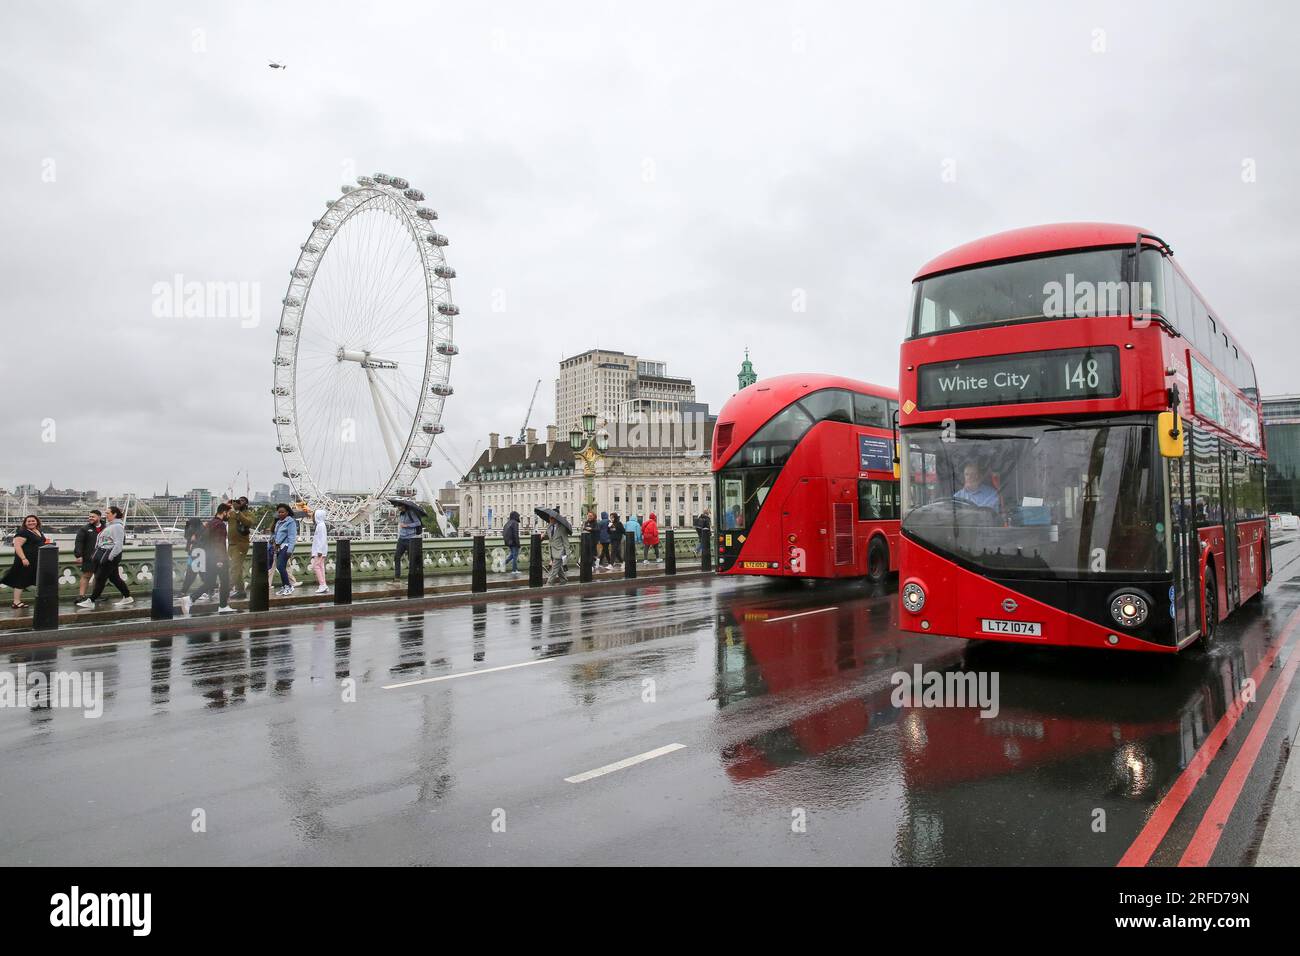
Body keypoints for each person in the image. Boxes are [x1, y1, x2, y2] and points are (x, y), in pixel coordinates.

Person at [181, 503, 234, 614]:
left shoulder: (210, 523)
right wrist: (220, 559)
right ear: (224, 512)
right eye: (229, 513)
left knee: (209, 583)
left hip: (208, 557)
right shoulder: (220, 525)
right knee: (225, 581)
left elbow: (202, 539)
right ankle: (223, 606)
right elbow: (219, 543)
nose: (229, 516)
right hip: (218, 558)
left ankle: (190, 599)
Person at [78, 506, 132, 608]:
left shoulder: (117, 527)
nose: (105, 515)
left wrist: (110, 557)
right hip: (106, 555)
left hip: (109, 556)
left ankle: (91, 600)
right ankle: (127, 596)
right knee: (115, 578)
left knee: (100, 578)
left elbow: (118, 544)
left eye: (108, 513)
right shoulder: (110, 525)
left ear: (114, 514)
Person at [4, 515, 50, 609]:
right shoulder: (23, 532)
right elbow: (17, 546)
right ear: (25, 523)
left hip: (36, 560)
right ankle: (16, 602)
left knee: (36, 579)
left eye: (33, 521)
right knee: (21, 580)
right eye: (28, 521)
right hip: (25, 560)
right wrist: (23, 558)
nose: (31, 523)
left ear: (37, 521)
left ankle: (43, 599)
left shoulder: (38, 531)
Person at [226, 496, 255, 599]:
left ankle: (226, 590)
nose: (239, 502)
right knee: (237, 569)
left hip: (241, 545)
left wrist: (238, 512)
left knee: (234, 568)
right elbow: (222, 517)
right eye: (238, 500)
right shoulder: (232, 513)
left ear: (246, 504)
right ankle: (241, 591)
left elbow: (248, 522)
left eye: (242, 501)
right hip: (231, 544)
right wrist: (227, 505)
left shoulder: (248, 513)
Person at [73, 510, 104, 600]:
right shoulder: (84, 529)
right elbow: (78, 543)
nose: (90, 518)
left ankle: (96, 595)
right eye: (89, 516)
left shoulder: (106, 527)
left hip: (102, 556)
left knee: (98, 577)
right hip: (88, 556)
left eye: (93, 516)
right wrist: (78, 555)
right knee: (86, 575)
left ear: (99, 517)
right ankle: (81, 596)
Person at [272, 503, 298, 595]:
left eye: (282, 512)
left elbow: (292, 537)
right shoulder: (279, 522)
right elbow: (276, 535)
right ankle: (285, 586)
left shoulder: (290, 522)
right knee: (281, 567)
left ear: (287, 512)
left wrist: (290, 550)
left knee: (280, 566)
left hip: (286, 546)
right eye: (279, 512)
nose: (280, 514)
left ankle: (289, 586)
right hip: (279, 547)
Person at [394, 505, 423, 579]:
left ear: (403, 506)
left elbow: (418, 523)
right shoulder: (401, 514)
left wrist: (407, 525)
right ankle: (397, 576)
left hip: (410, 539)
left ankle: (412, 577)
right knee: (396, 557)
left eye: (399, 506)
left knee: (411, 559)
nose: (398, 507)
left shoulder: (411, 513)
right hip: (401, 538)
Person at [310, 506, 329, 594]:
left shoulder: (320, 526)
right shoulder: (321, 525)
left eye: (314, 516)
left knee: (315, 566)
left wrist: (320, 551)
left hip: (319, 551)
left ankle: (322, 585)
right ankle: (324, 584)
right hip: (320, 551)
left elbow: (322, 539)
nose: (312, 517)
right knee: (321, 567)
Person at [546, 513, 569, 585]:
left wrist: (567, 553)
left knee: (554, 569)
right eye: (549, 518)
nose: (550, 519)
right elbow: (550, 538)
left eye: (552, 518)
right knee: (558, 569)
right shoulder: (549, 527)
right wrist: (543, 536)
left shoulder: (562, 528)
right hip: (552, 551)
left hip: (560, 552)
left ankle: (548, 584)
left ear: (556, 519)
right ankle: (564, 580)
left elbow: (565, 541)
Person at [502, 510, 521, 574]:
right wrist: (518, 544)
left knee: (512, 555)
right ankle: (514, 570)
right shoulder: (515, 523)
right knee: (515, 556)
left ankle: (503, 564)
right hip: (514, 542)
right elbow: (515, 534)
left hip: (508, 542)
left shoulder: (507, 523)